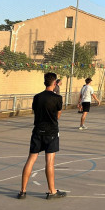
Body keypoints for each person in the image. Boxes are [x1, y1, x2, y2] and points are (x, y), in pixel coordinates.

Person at [18, 72, 66, 200]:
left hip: (38, 130)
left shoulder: (37, 97)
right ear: (54, 83)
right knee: (49, 161)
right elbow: (58, 115)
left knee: (31, 159)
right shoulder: (57, 98)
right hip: (51, 131)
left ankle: (22, 191)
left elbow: (35, 111)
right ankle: (52, 191)